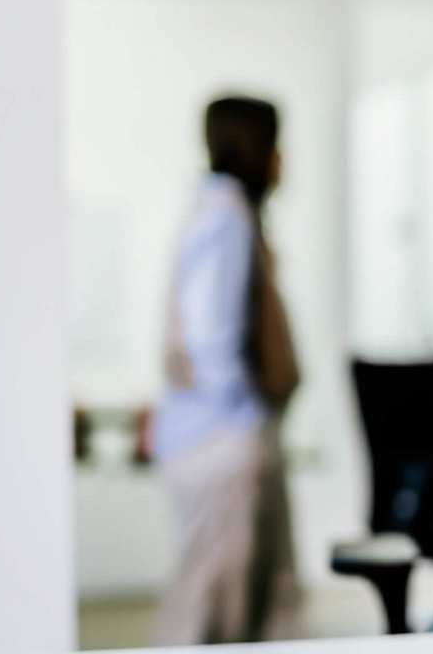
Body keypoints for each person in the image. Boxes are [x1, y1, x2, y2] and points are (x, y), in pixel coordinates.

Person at [150, 96, 303, 645]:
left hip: (214, 438)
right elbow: (210, 338)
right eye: (277, 145)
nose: (283, 161)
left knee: (239, 607)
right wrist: (243, 424)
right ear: (255, 148)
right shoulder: (225, 219)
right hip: (219, 442)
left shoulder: (221, 213)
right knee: (213, 615)